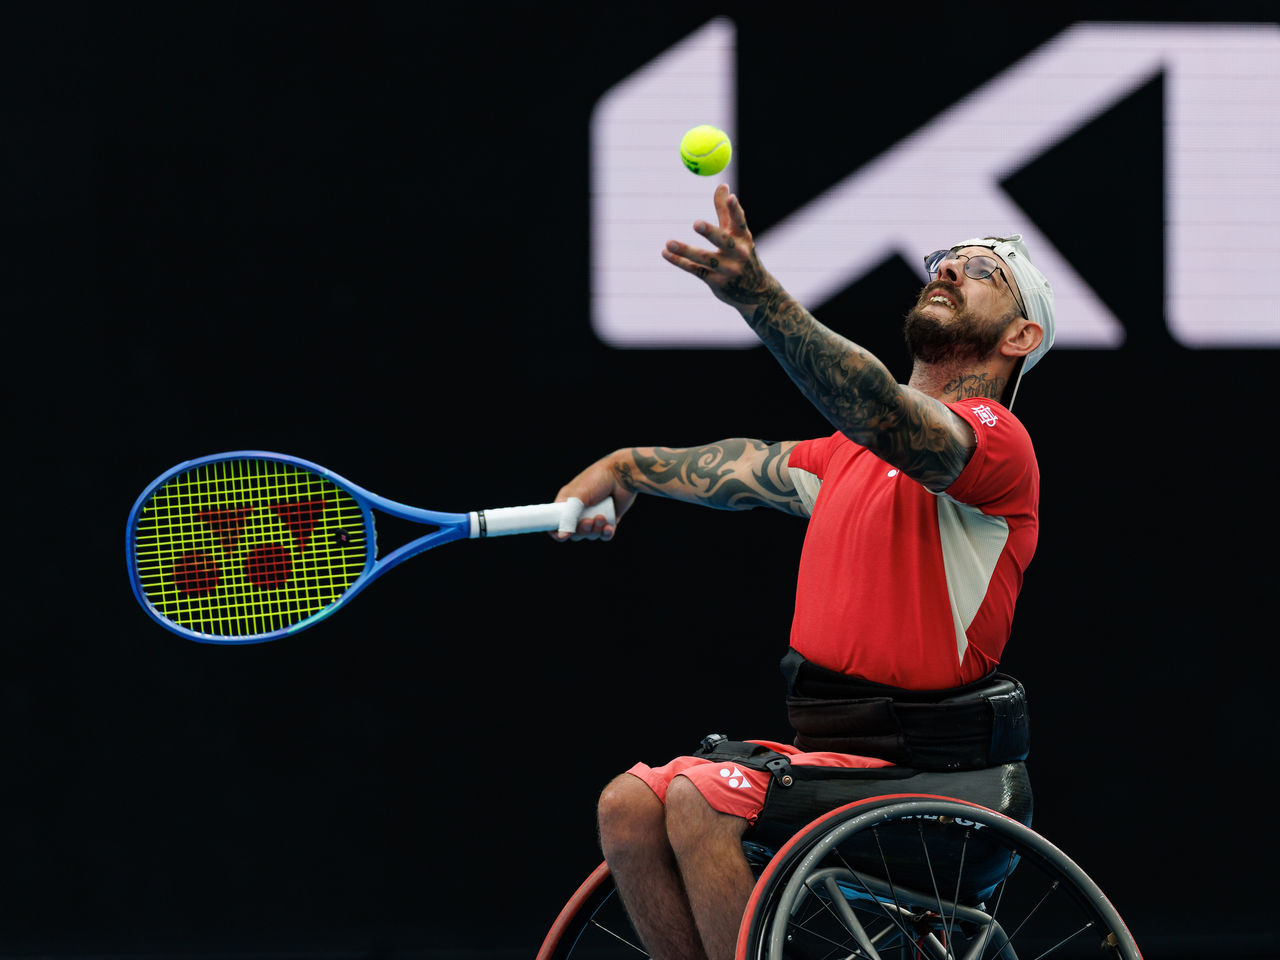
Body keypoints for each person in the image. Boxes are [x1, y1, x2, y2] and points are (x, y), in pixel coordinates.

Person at [553, 184, 1054, 960]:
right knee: (627, 805)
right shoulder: (844, 458)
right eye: (944, 262)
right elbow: (740, 463)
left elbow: (877, 408)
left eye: (981, 270)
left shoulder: (998, 443)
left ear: (1020, 335)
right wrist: (623, 468)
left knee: (701, 800)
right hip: (839, 759)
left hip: (945, 786)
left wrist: (759, 297)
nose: (949, 270)